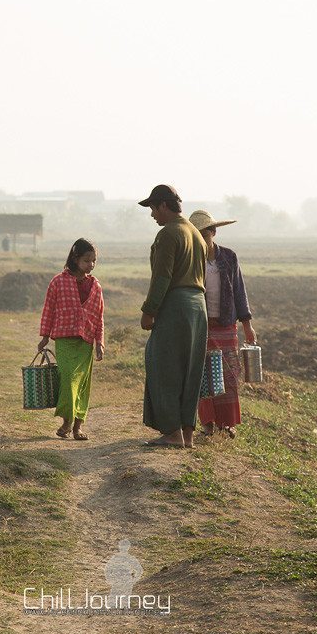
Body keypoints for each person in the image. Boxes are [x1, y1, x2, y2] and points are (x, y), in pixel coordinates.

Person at [139, 185, 207, 449]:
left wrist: (149, 311)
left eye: (153, 209)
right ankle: (187, 434)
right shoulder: (196, 234)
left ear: (164, 206)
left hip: (176, 305)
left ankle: (171, 432)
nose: (152, 215)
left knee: (163, 366)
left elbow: (163, 277)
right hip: (197, 307)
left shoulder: (168, 233)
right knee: (191, 370)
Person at [189, 210, 255, 439]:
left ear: (212, 233)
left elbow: (239, 290)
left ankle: (226, 423)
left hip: (226, 325)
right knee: (205, 375)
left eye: (203, 233)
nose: (200, 238)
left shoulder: (228, 257)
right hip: (201, 325)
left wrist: (247, 325)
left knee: (228, 374)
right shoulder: (190, 260)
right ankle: (208, 423)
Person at [38, 238, 105, 440]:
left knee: (83, 383)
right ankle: (67, 420)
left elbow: (99, 316)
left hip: (86, 342)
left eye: (94, 260)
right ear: (75, 259)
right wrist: (44, 336)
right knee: (68, 379)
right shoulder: (58, 282)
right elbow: (49, 310)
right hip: (64, 339)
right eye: (86, 260)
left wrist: (100, 342)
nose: (91, 265)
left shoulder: (96, 286)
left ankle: (78, 426)